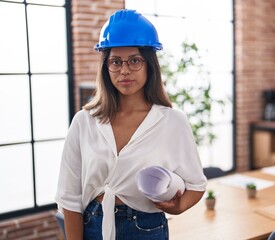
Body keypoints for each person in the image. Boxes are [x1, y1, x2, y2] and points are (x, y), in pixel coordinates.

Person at [55, 9, 207, 240]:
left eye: (134, 61)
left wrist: (178, 207)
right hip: (93, 225)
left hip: (147, 228)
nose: (124, 70)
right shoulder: (84, 122)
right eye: (115, 62)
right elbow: (69, 196)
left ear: (149, 64)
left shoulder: (172, 122)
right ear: (106, 67)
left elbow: (196, 185)